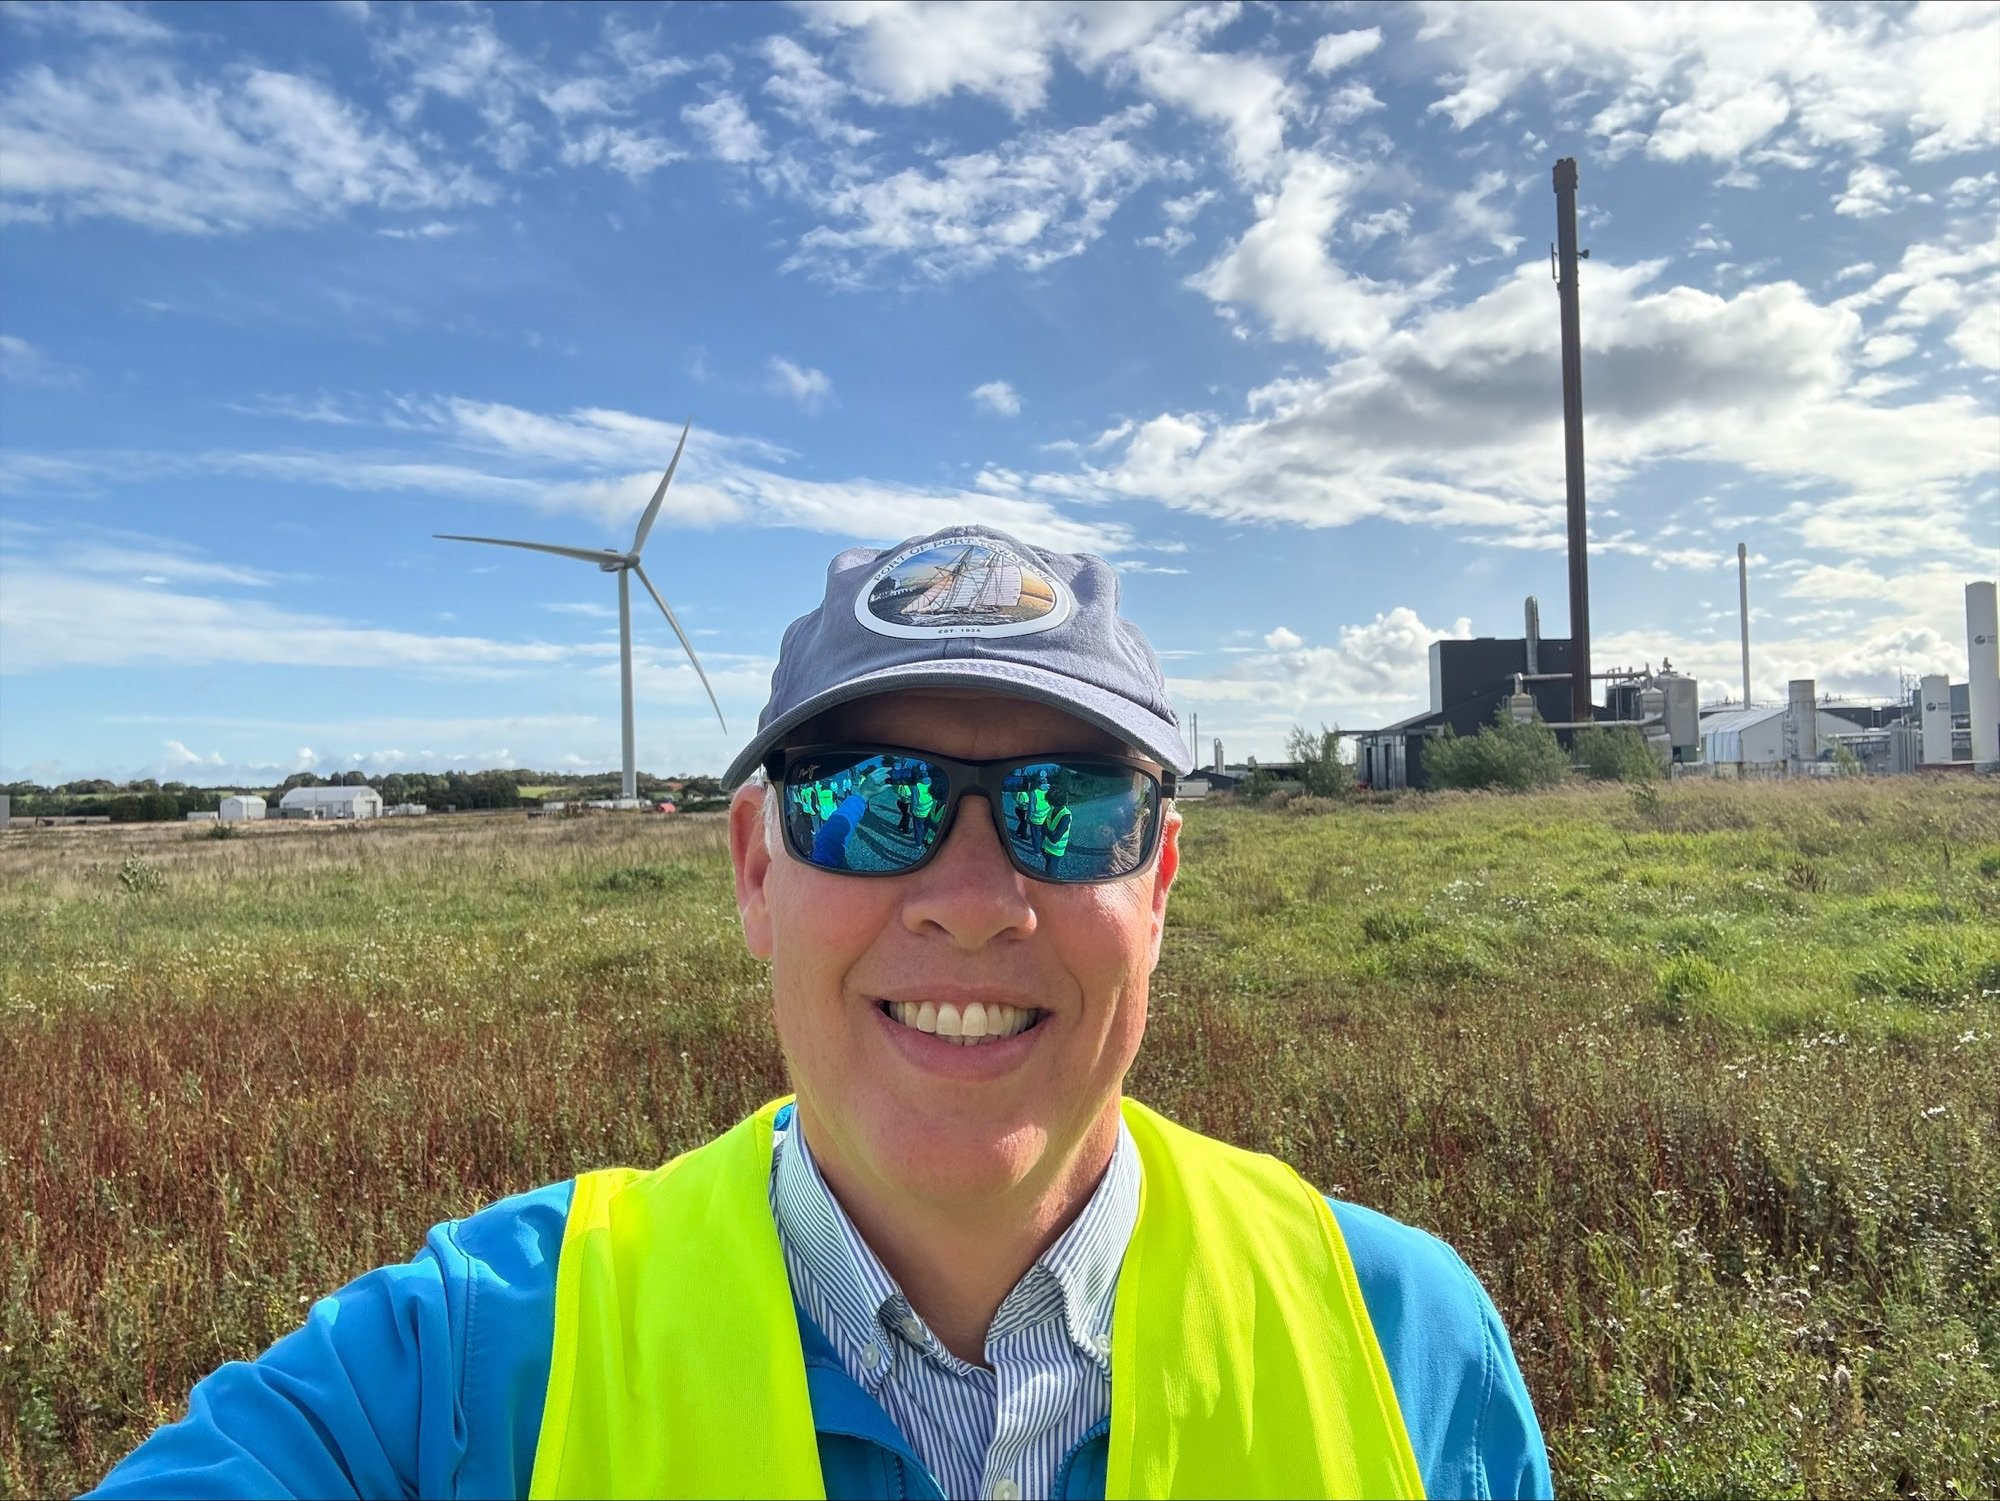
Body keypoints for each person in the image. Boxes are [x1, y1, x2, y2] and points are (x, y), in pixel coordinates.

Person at [92, 524, 1551, 1500]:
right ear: (753, 868)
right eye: (870, 802)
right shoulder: (463, 1364)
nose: (974, 896)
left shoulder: (1404, 1341)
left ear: (1157, 885)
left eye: (1072, 808)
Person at [1040, 785, 1072, 878]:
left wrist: (1046, 831)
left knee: (1051, 869)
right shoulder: (1052, 810)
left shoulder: (1065, 816)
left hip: (1056, 850)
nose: (1049, 803)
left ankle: (1053, 883)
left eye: (1050, 801)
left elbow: (1055, 838)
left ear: (1055, 801)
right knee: (1048, 866)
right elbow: (1044, 827)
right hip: (1046, 846)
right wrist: (1046, 831)